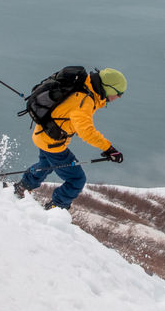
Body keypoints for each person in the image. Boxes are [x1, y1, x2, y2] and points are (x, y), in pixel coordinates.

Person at [13, 68, 126, 210]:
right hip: (53, 143)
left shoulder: (84, 84)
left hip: (43, 134)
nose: (118, 97)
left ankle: (23, 186)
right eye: (118, 93)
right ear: (108, 88)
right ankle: (57, 207)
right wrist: (109, 149)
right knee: (76, 179)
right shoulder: (85, 101)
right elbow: (87, 132)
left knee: (46, 165)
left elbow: (71, 114)